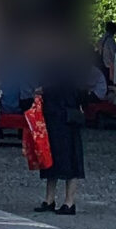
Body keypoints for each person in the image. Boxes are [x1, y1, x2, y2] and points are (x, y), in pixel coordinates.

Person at [33, 80, 85, 216]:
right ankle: (56, 200)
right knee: (56, 157)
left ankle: (65, 201)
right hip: (60, 115)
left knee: (67, 158)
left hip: (62, 116)